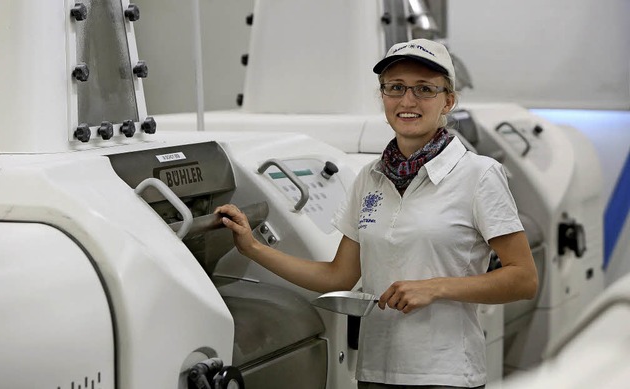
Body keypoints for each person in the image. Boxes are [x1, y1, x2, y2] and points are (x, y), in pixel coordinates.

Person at [215, 38, 538, 389]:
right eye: (395, 87)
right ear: (383, 95)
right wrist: (252, 248)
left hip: (445, 374)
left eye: (424, 89)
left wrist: (437, 287)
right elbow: (338, 276)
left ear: (448, 100)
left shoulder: (478, 175)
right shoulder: (370, 176)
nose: (407, 101)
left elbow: (523, 278)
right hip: (374, 373)